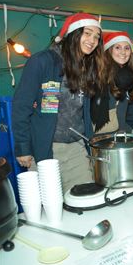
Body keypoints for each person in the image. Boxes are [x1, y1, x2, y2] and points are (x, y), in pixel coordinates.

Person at [12, 13, 106, 193]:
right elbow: (21, 106)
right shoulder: (42, 61)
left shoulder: (88, 66)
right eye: (87, 33)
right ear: (73, 34)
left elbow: (84, 112)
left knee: (85, 200)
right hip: (45, 149)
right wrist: (23, 147)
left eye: (96, 36)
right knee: (50, 210)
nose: (92, 40)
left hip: (77, 149)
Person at [91, 31, 133, 133]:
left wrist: (125, 130)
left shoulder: (127, 75)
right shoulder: (100, 76)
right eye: (117, 47)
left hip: (119, 134)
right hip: (103, 138)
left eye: (127, 48)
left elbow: (120, 110)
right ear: (109, 50)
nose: (123, 52)